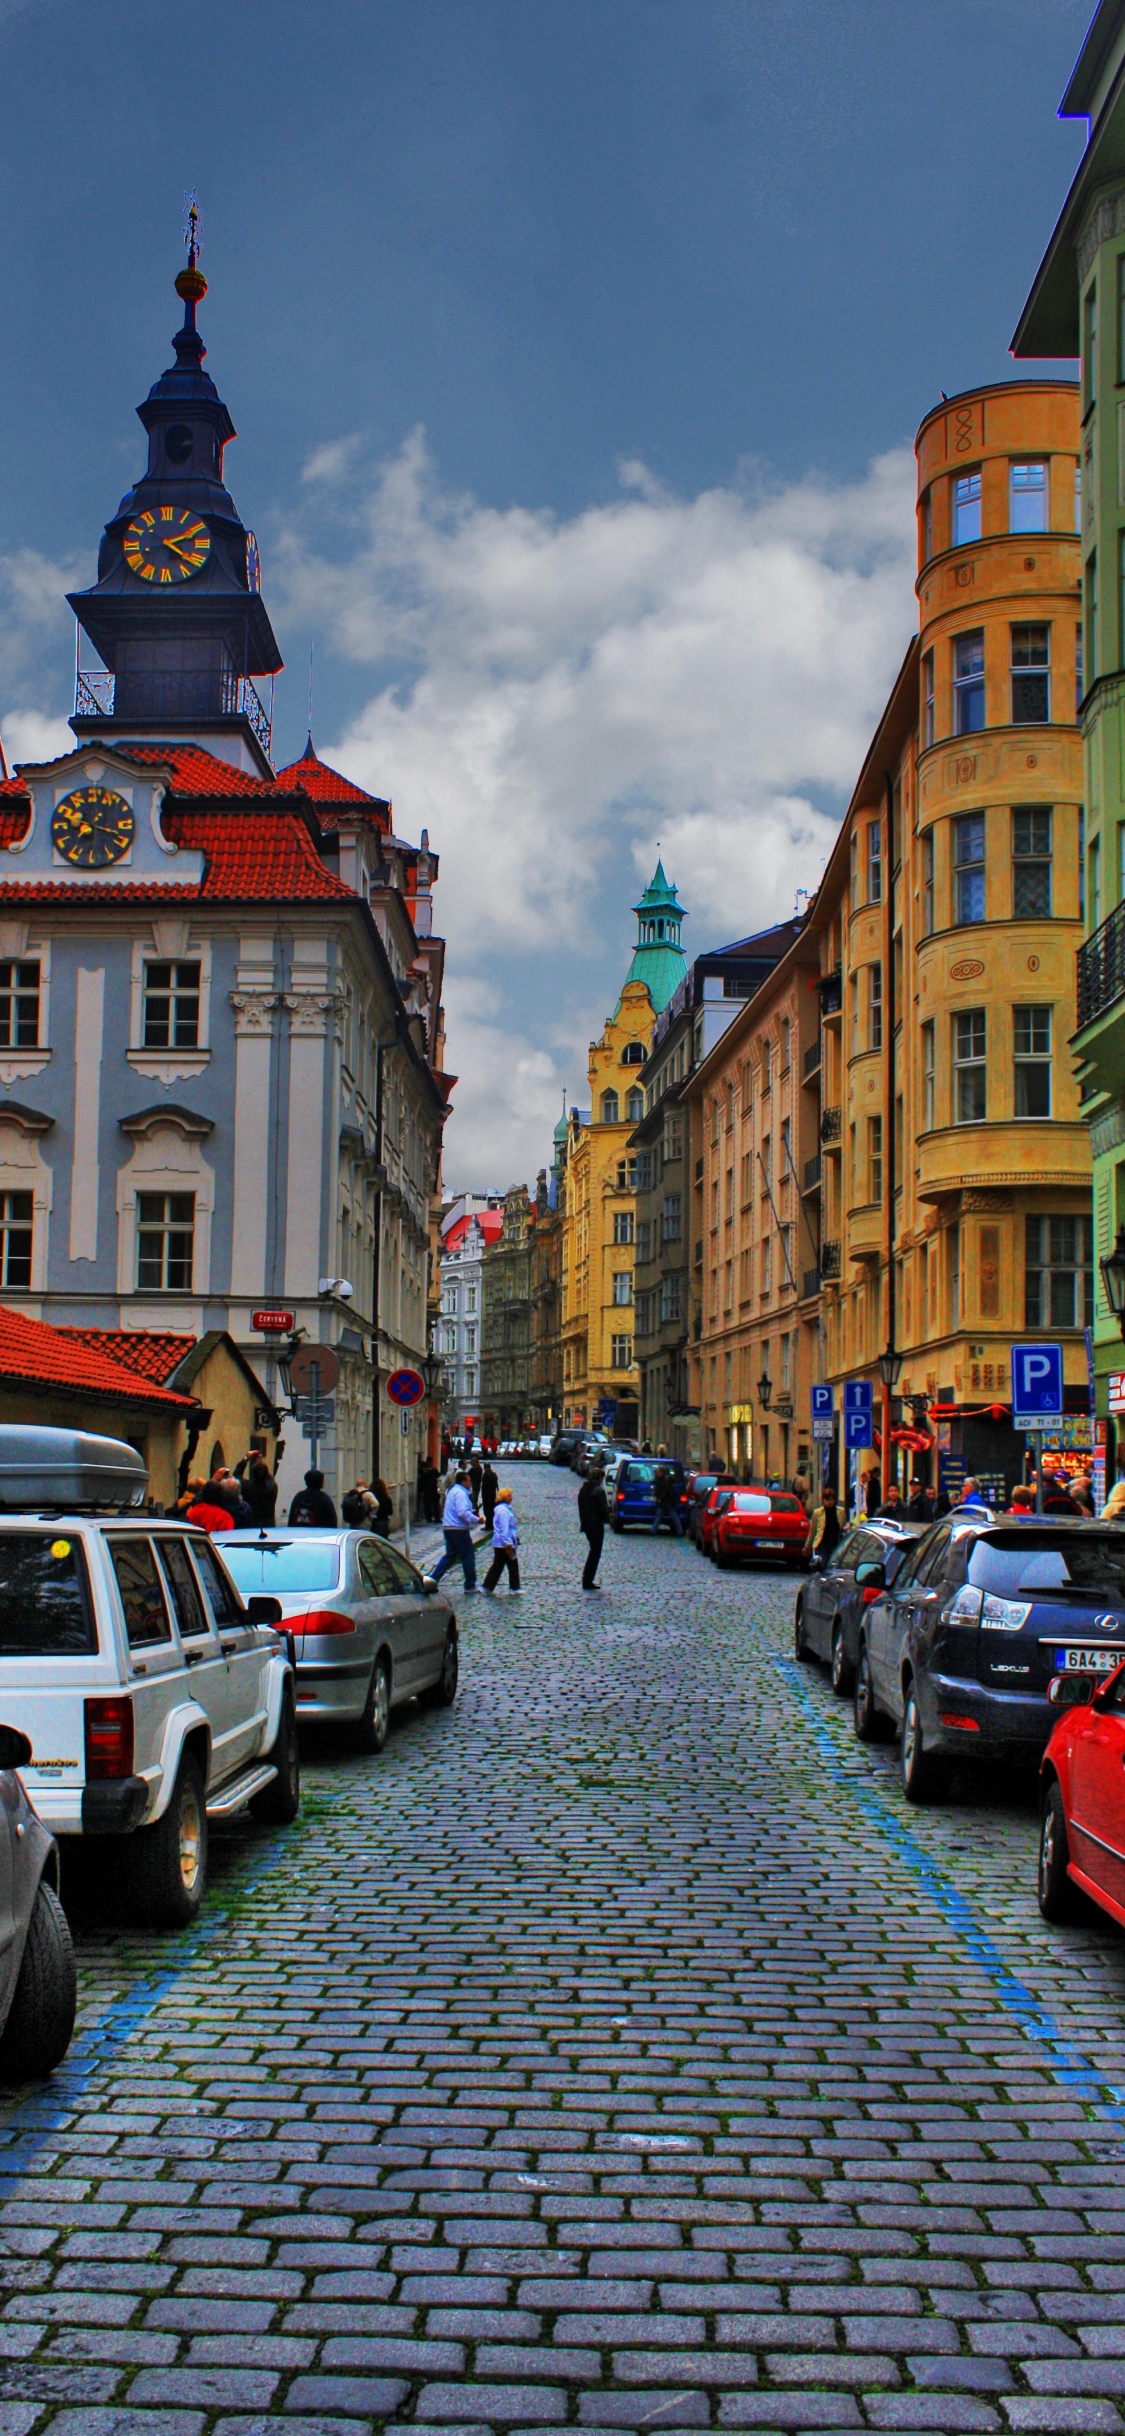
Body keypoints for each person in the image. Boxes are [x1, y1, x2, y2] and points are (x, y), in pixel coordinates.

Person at [431, 1468, 478, 1592]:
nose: (470, 1483)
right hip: (458, 1528)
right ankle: (470, 1584)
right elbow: (462, 1512)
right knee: (468, 1556)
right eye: (469, 1481)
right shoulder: (461, 1494)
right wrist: (476, 1519)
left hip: (448, 1527)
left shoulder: (452, 1491)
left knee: (450, 1555)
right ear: (463, 1482)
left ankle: (433, 1579)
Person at [483, 1487, 521, 1593]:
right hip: (503, 1543)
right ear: (504, 1497)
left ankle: (488, 1586)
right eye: (509, 1495)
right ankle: (514, 1587)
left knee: (500, 1565)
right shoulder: (503, 1510)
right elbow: (504, 1528)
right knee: (508, 1564)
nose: (511, 1497)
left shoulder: (503, 1509)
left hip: (501, 1542)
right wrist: (508, 1543)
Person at [578, 1459, 609, 1590]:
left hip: (586, 1524)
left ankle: (587, 1578)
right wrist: (608, 1519)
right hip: (596, 1525)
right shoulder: (599, 1491)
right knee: (595, 1553)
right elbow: (603, 1509)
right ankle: (587, 1579)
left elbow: (581, 1506)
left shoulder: (583, 1490)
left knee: (593, 1550)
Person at [803, 1483, 841, 1567]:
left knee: (833, 1566)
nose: (829, 1502)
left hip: (835, 1545)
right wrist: (807, 1546)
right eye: (826, 1500)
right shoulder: (818, 1513)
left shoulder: (840, 1512)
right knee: (821, 1565)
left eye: (831, 1499)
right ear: (823, 1500)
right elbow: (812, 1531)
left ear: (834, 1500)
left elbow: (842, 1527)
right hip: (821, 1545)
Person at [243, 1456, 278, 1527]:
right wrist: (261, 1465)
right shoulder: (272, 1488)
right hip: (269, 1524)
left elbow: (237, 1475)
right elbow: (270, 1479)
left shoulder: (248, 1488)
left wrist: (246, 1458)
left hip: (253, 1524)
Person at [653, 1462, 683, 1537]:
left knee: (672, 1515)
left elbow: (666, 1491)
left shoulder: (665, 1480)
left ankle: (680, 1531)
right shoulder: (662, 1479)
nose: (656, 1473)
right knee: (660, 1515)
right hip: (665, 1501)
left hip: (667, 1501)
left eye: (657, 1472)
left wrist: (660, 1498)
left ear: (661, 1472)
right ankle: (653, 1530)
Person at [420, 1455, 441, 1524]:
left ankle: (428, 1518)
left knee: (427, 1505)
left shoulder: (422, 1470)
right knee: (435, 1505)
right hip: (433, 1489)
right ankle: (436, 1518)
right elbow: (438, 1476)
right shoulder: (433, 1470)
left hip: (426, 1490)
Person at [481, 1458, 499, 1530]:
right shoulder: (494, 1474)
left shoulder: (485, 1475)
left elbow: (484, 1486)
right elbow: (496, 1485)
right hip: (493, 1495)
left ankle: (488, 1525)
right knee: (492, 1510)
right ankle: (492, 1524)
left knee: (487, 1511)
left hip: (486, 1495)